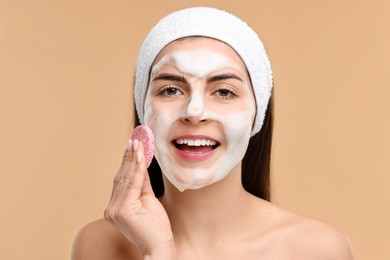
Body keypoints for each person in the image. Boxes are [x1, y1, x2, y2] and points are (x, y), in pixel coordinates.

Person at [72, 7, 354, 259]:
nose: (194, 111)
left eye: (223, 91)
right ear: (143, 110)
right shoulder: (99, 246)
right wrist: (157, 252)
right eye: (170, 90)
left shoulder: (317, 249)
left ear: (257, 115)